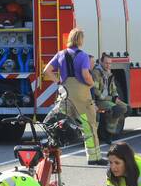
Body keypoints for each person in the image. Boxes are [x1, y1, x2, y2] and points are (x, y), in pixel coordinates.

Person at [42, 28, 106, 165]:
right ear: (80, 40)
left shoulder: (60, 54)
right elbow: (85, 73)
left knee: (57, 124)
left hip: (65, 93)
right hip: (81, 95)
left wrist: (58, 81)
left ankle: (49, 157)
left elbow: (46, 71)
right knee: (89, 125)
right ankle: (94, 157)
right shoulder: (83, 56)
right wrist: (91, 83)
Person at [92, 54, 128, 144]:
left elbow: (113, 88)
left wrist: (115, 97)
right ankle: (109, 134)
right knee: (116, 109)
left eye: (110, 63)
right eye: (106, 63)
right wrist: (110, 99)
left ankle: (109, 126)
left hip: (108, 99)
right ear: (101, 62)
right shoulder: (96, 73)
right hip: (99, 100)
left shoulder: (109, 73)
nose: (108, 65)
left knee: (126, 108)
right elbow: (95, 91)